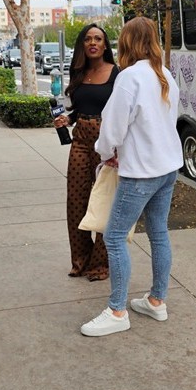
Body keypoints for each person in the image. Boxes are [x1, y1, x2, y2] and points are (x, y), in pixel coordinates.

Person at [80, 17, 183, 337]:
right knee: (158, 233)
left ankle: (117, 310)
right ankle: (157, 300)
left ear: (125, 43)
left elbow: (112, 128)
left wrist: (104, 151)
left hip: (141, 172)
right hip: (168, 168)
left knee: (113, 236)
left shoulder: (129, 77)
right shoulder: (164, 73)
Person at [52, 24, 119, 280]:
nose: (93, 43)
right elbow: (76, 110)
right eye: (88, 39)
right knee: (76, 201)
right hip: (80, 140)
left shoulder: (116, 74)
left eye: (98, 39)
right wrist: (66, 120)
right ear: (82, 44)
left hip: (107, 144)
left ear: (105, 45)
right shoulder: (78, 73)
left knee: (104, 202)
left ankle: (100, 263)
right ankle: (80, 259)